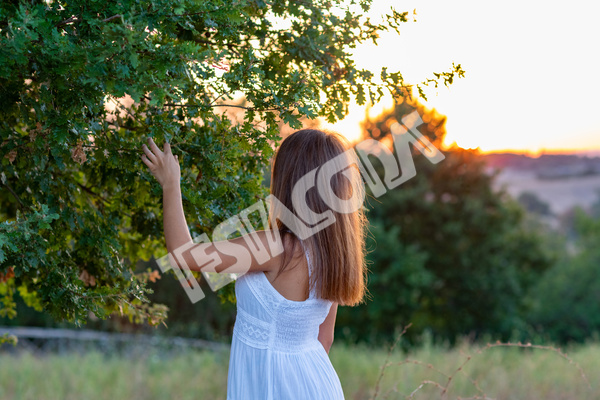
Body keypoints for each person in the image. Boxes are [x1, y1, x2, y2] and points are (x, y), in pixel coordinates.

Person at [141, 128, 368, 399]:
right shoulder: (335, 254)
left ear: (289, 179)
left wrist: (170, 183)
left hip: (273, 386)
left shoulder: (274, 247)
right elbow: (325, 339)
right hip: (317, 383)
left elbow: (183, 253)